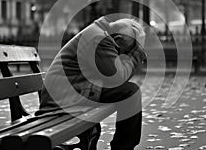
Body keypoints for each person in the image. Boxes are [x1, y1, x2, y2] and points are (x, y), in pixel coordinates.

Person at [36, 16, 147, 150]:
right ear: (117, 39)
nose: (121, 55)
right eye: (123, 51)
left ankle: (123, 146)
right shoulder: (99, 39)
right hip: (65, 100)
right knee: (131, 92)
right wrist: (138, 52)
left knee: (129, 92)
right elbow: (118, 77)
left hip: (73, 93)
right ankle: (123, 147)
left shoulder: (98, 34)